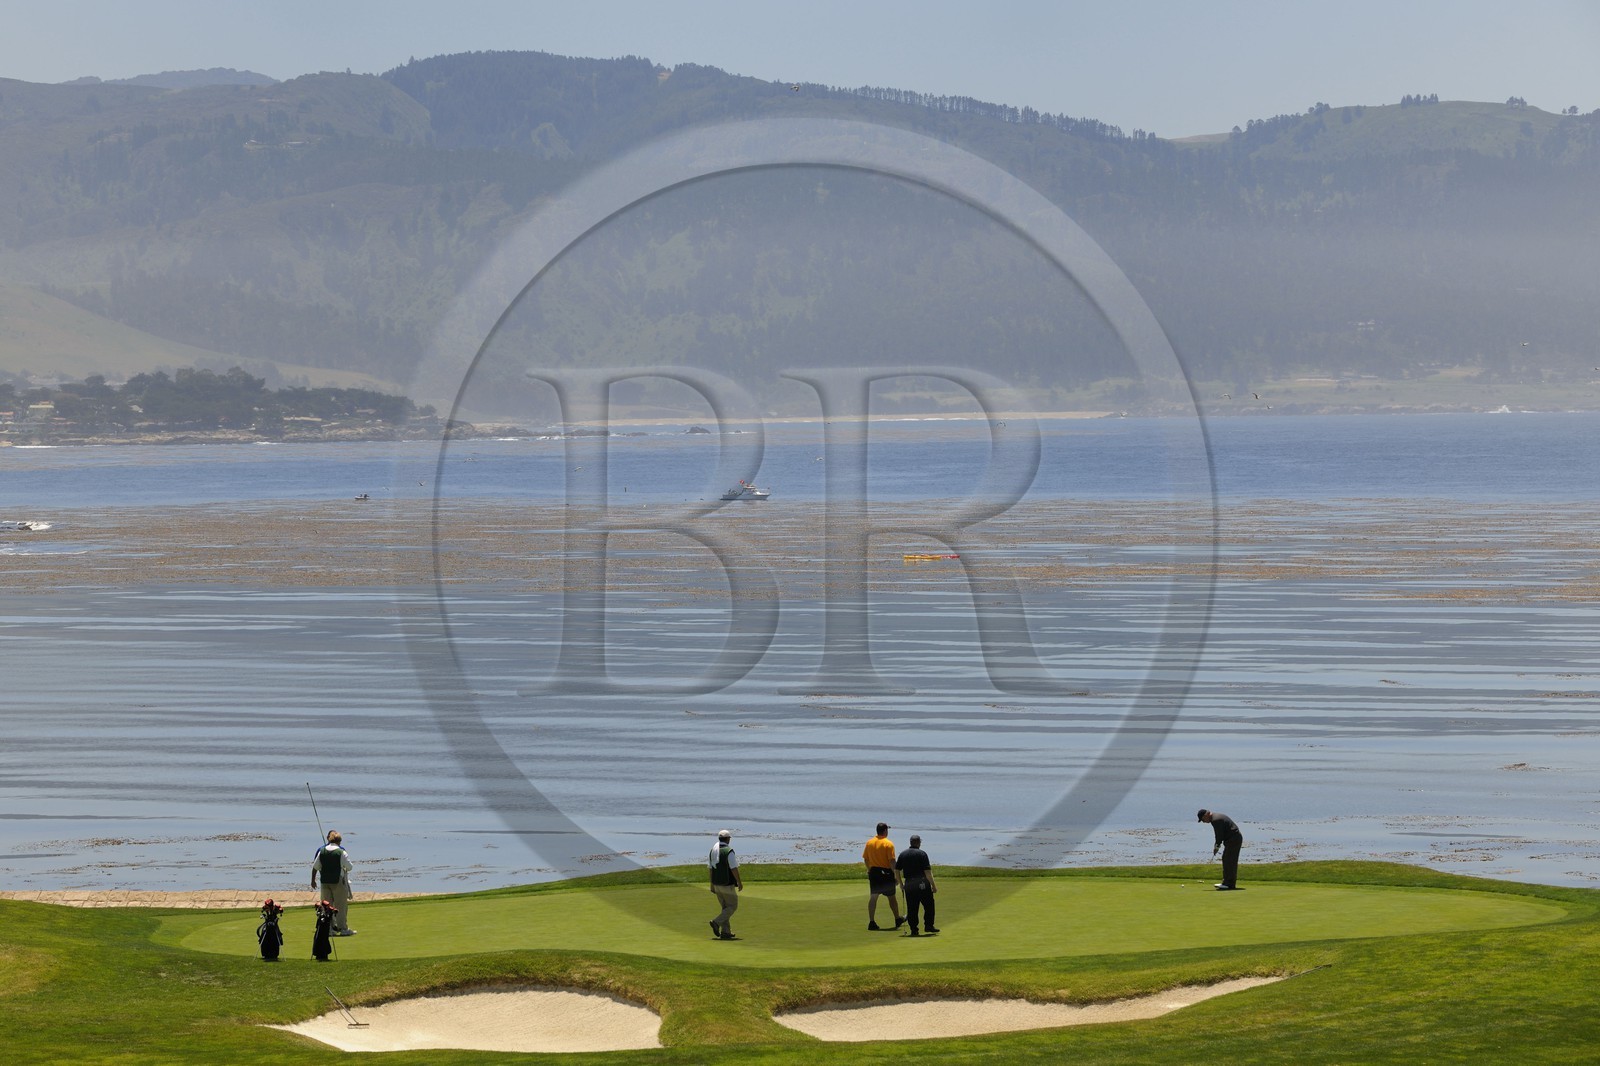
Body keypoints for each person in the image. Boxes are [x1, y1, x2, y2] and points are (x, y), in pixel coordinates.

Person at [311, 829, 356, 935]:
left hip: (325, 882)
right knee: (340, 906)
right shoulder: (341, 852)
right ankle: (343, 929)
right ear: (339, 841)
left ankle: (329, 928)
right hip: (338, 882)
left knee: (327, 906)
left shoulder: (322, 851)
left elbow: (315, 866)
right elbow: (349, 867)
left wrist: (313, 880)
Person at [862, 821, 905, 930]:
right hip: (886, 873)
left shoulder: (869, 842)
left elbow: (866, 859)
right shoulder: (888, 843)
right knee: (891, 897)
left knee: (873, 896)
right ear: (885, 831)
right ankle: (897, 919)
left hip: (874, 872)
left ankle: (871, 922)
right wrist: (896, 875)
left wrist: (869, 870)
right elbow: (892, 862)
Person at [894, 833, 939, 936]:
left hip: (909, 883)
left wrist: (901, 884)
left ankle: (914, 930)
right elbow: (927, 872)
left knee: (912, 908)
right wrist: (933, 885)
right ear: (919, 843)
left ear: (910, 842)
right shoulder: (922, 854)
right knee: (929, 906)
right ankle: (928, 926)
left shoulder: (903, 854)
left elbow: (896, 870)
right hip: (922, 883)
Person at [707, 828, 742, 940]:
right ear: (727, 839)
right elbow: (734, 868)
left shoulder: (713, 850)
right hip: (727, 885)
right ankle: (716, 922)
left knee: (725, 908)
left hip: (717, 884)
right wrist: (739, 882)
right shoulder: (728, 851)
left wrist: (711, 884)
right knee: (732, 906)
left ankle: (726, 932)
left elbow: (711, 869)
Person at [1198, 809, 1244, 890]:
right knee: (1226, 859)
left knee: (1229, 860)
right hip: (1232, 839)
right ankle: (1226, 882)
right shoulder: (1215, 818)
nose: (1203, 822)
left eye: (1203, 820)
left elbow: (1219, 836)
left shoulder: (1216, 820)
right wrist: (1217, 846)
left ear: (1206, 815)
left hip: (1234, 839)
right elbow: (1220, 836)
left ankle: (1229, 884)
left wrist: (1216, 847)